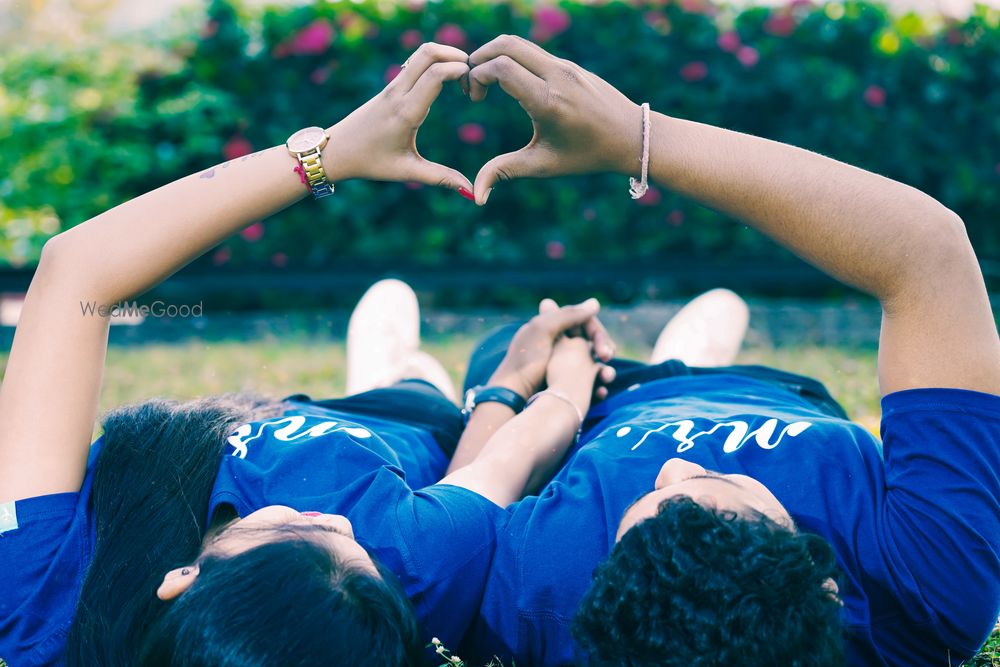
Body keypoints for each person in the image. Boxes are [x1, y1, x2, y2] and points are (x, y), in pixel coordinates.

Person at [0, 42, 617, 667]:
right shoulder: (402, 566)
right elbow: (489, 470)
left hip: (282, 415)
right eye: (363, 563)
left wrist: (328, 156)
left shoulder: (41, 606)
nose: (342, 528)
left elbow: (74, 274)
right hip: (409, 435)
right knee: (425, 397)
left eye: (300, 539)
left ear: (183, 582)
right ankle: (405, 375)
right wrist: (540, 381)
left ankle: (389, 368)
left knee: (397, 380)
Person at [457, 36, 1000, 667]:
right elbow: (927, 252)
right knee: (719, 313)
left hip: (605, 397)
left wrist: (518, 391)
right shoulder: (930, 590)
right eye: (716, 487)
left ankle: (678, 350)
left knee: (504, 343)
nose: (672, 469)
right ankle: (694, 350)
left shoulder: (537, 601)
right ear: (826, 592)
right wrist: (635, 138)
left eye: (641, 515)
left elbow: (455, 510)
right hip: (765, 390)